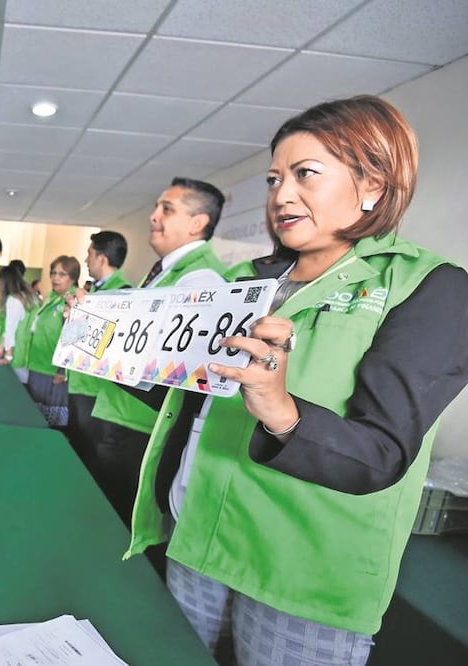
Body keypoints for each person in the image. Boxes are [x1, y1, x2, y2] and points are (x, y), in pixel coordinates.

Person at [127, 96, 468, 666]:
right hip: (195, 536)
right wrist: (118, 352)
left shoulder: (431, 288)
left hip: (302, 575)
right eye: (273, 178)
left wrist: (282, 409)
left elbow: (381, 453)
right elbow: (186, 401)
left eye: (306, 173)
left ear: (373, 184)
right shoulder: (243, 280)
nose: (282, 195)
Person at [90, 177, 228, 532]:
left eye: (167, 209)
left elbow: (172, 374)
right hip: (123, 419)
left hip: (141, 431)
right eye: (156, 207)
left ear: (198, 223)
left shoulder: (201, 281)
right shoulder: (165, 276)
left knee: (116, 528)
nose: (153, 216)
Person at [64, 231, 132, 486]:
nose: (85, 260)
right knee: (78, 452)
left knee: (91, 461)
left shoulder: (123, 295)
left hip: (96, 392)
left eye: (90, 254)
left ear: (102, 259)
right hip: (80, 384)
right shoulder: (91, 292)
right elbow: (74, 340)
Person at [12, 256, 79, 428]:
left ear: (73, 278)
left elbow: (73, 340)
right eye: (53, 273)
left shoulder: (72, 301)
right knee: (35, 418)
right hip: (38, 365)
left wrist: (62, 370)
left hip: (54, 373)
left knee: (50, 423)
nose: (55, 278)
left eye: (62, 274)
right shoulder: (51, 299)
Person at [0, 265, 38, 381]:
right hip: (30, 352)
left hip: (18, 353)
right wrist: (2, 347)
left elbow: (10, 329)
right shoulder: (30, 297)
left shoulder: (13, 300)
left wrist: (8, 357)